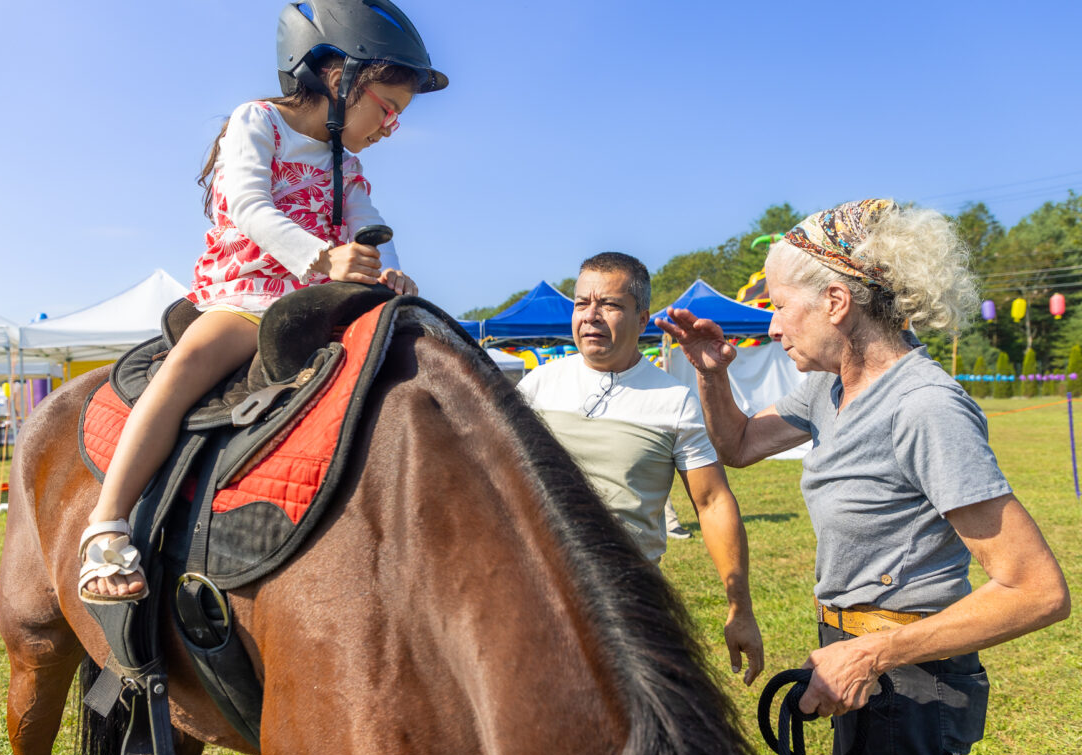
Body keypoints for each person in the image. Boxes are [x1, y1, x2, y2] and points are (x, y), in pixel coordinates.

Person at [659, 199, 1070, 755]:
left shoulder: (925, 407)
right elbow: (740, 444)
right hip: (856, 657)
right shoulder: (828, 386)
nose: (772, 327)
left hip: (910, 676)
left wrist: (873, 655)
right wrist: (712, 375)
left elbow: (1037, 591)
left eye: (779, 306)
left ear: (835, 302)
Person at [78, 0, 447, 604]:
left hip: (322, 301)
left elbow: (370, 225)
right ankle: (107, 527)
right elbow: (251, 206)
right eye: (388, 108)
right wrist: (324, 259)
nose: (389, 127)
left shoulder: (346, 162)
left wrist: (395, 275)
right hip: (247, 293)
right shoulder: (258, 121)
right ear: (338, 75)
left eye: (397, 117)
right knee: (186, 372)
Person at [518, 252, 764, 685]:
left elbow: (712, 503)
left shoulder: (674, 401)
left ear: (643, 317)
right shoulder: (538, 385)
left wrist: (739, 608)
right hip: (531, 596)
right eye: (581, 303)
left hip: (627, 608)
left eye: (609, 305)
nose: (591, 316)